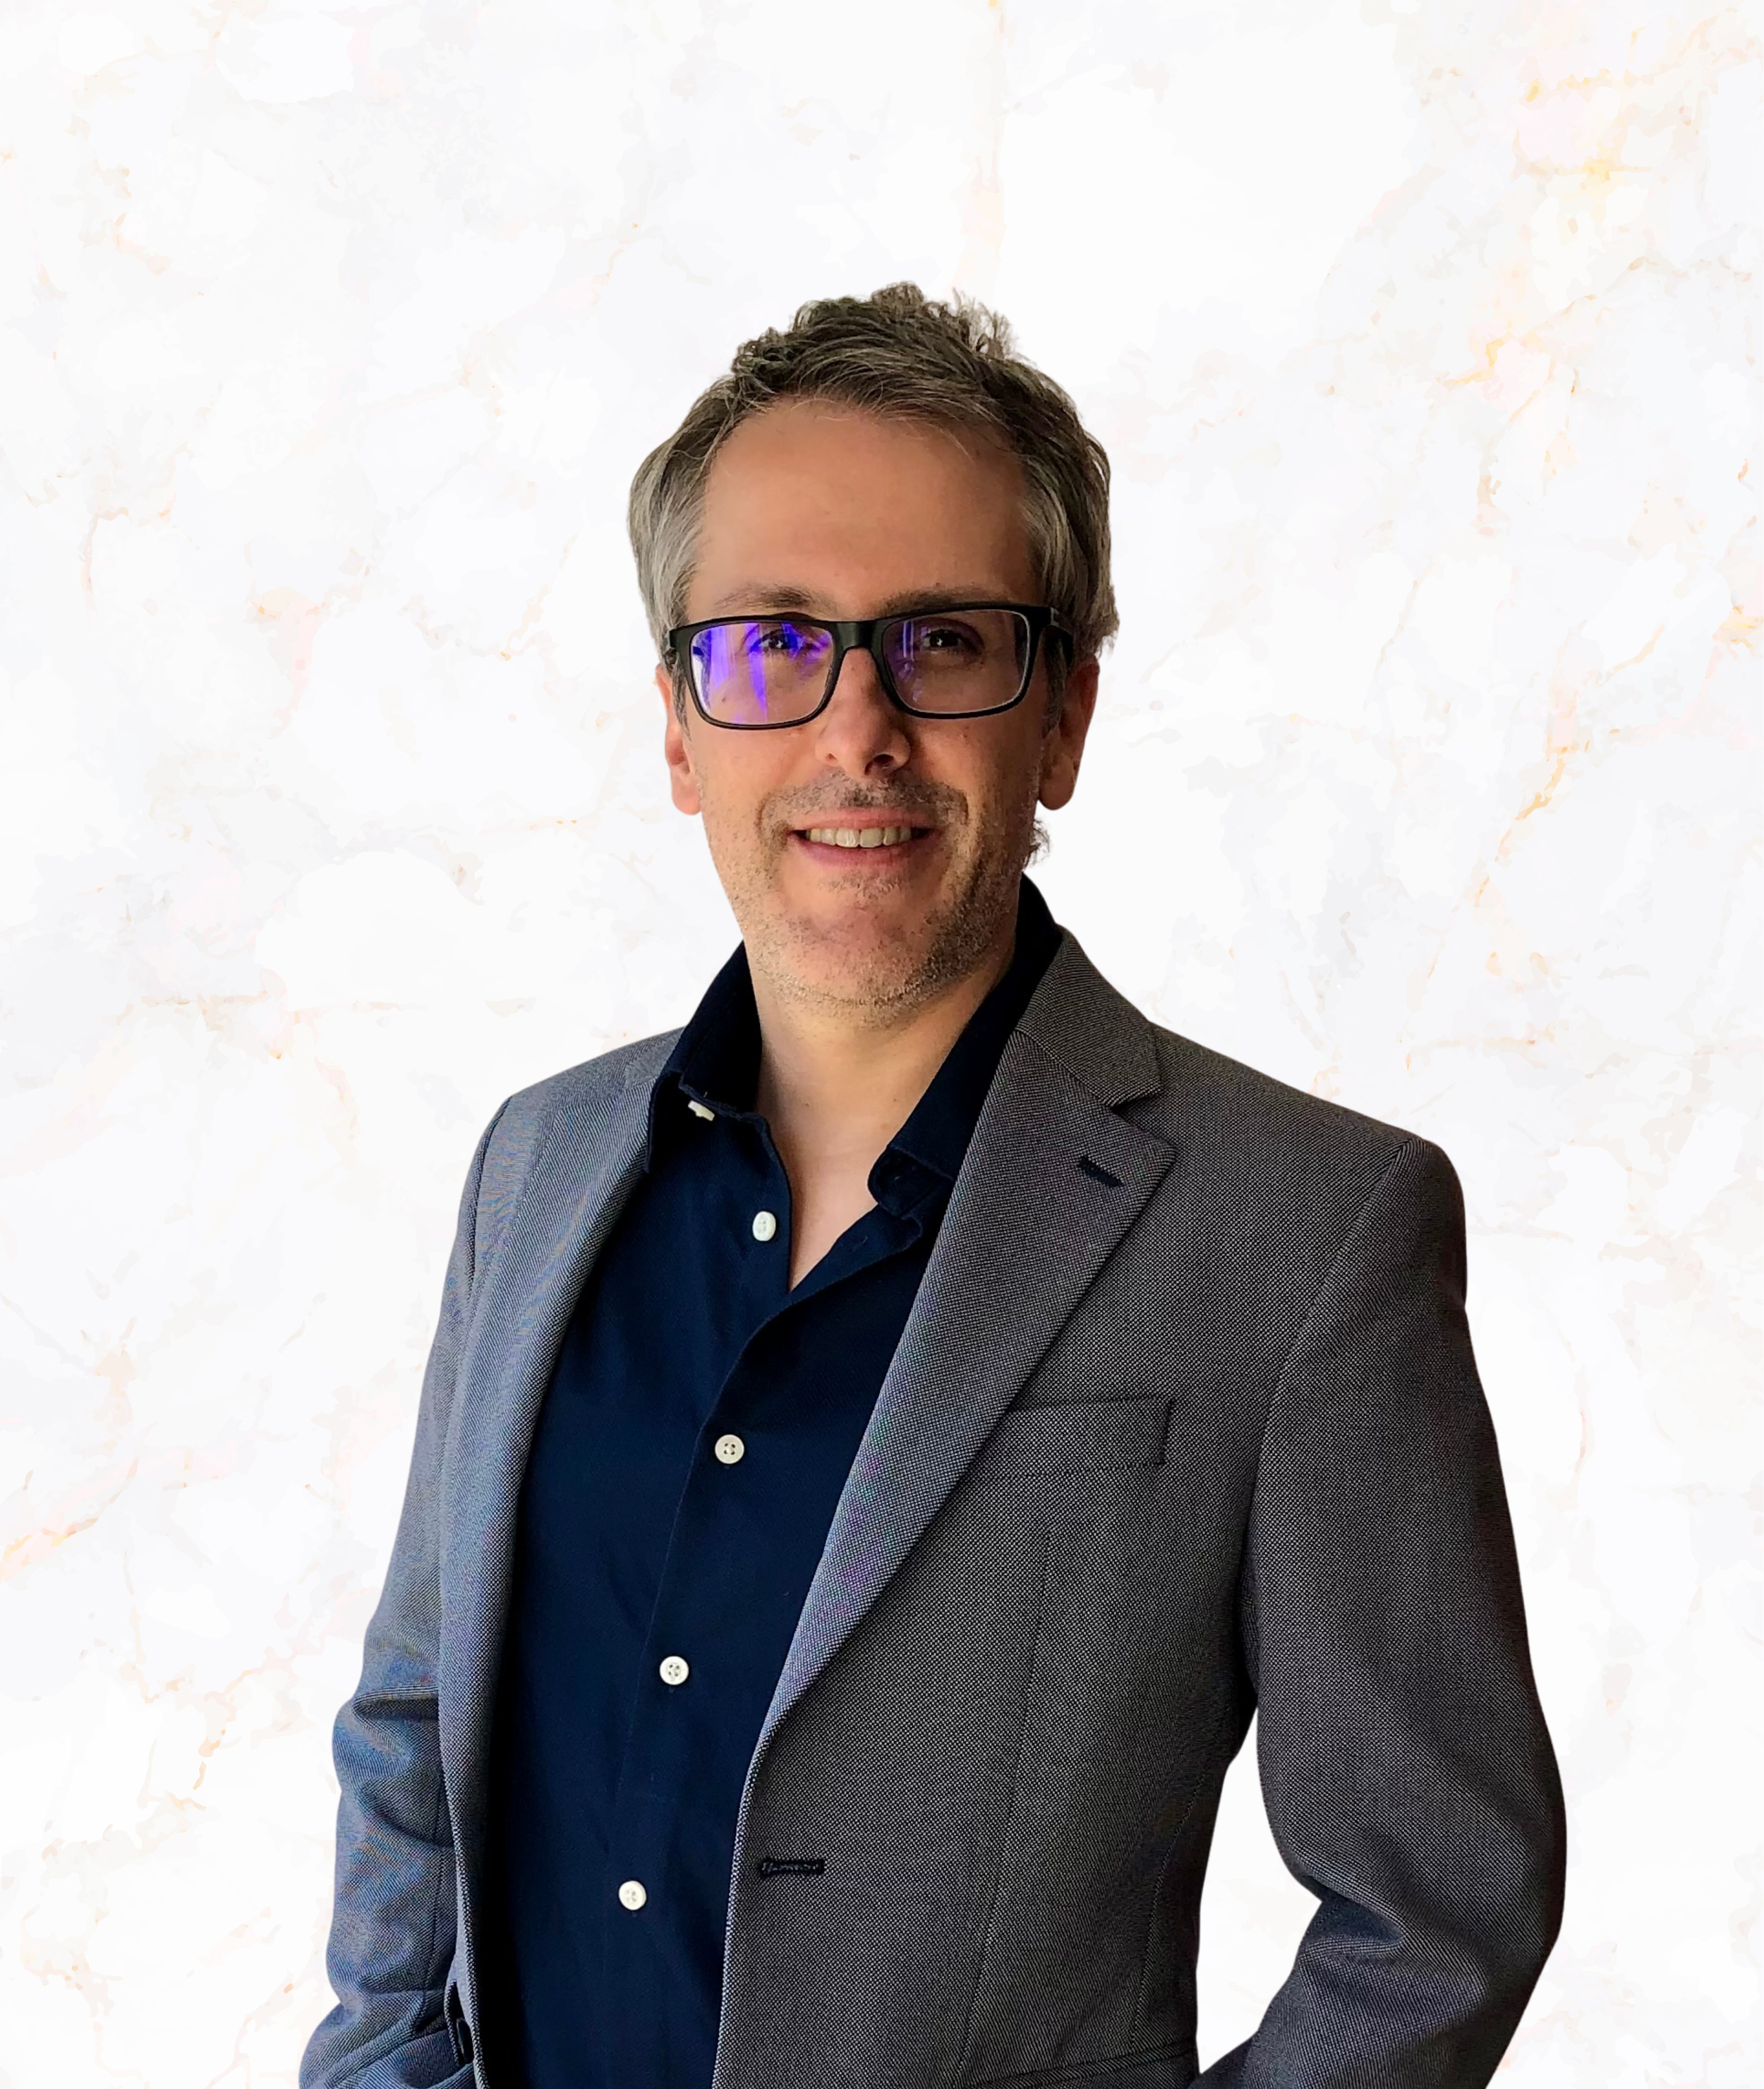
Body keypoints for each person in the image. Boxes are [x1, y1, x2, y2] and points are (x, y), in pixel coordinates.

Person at [303, 284, 1565, 2089]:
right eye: (770, 646)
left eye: (944, 643)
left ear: (1058, 720)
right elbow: (416, 1734)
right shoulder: (538, 1167)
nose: (855, 731)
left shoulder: (1302, 1234)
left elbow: (1435, 1909)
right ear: (680, 725)